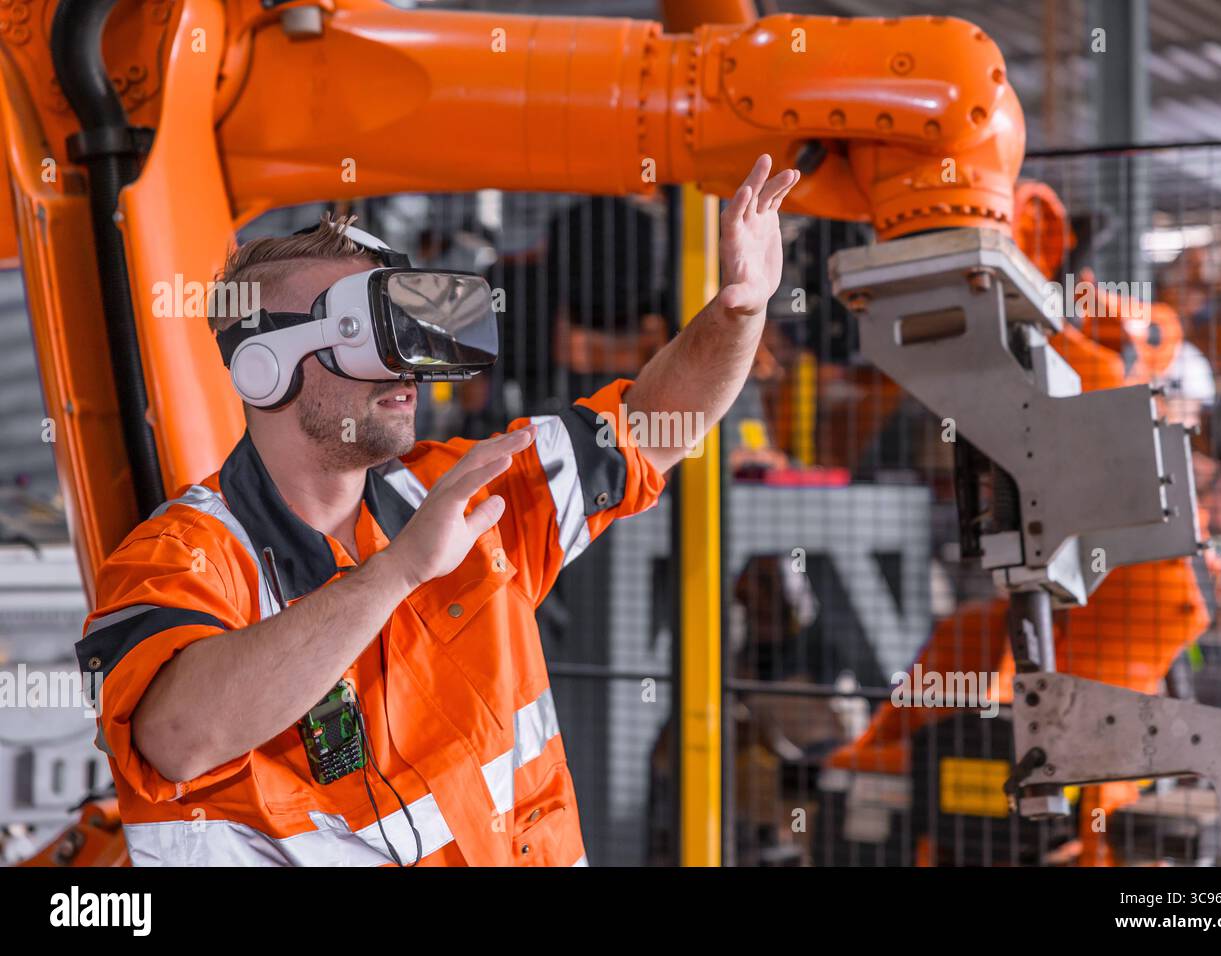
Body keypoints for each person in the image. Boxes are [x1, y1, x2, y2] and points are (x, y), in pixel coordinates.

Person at [79, 156, 800, 866]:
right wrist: (396, 572)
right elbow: (177, 735)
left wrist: (739, 309)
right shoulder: (179, 555)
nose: (405, 369)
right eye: (365, 337)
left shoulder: (462, 490)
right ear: (264, 368)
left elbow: (650, 425)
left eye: (410, 329)